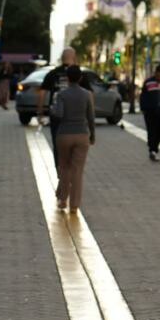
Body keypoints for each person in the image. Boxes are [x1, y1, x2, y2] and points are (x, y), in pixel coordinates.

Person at [54, 65, 95, 213]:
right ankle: (75, 204)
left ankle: (63, 200)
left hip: (64, 134)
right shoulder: (87, 95)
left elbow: (58, 114)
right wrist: (92, 135)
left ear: (67, 78)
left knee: (64, 167)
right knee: (77, 170)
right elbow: (91, 116)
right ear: (80, 78)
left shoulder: (62, 95)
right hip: (82, 134)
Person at [37, 47, 78, 167]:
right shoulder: (78, 74)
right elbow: (89, 94)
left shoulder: (53, 73)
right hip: (74, 116)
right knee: (73, 146)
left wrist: (40, 113)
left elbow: (42, 93)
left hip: (56, 115)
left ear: (61, 59)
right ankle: (70, 172)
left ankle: (59, 172)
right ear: (74, 58)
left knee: (57, 145)